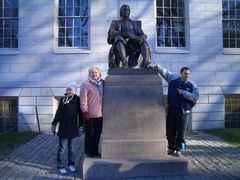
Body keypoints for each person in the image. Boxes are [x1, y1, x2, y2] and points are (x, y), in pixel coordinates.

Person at [148, 63, 199, 157]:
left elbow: (195, 96)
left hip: (183, 111)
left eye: (188, 74)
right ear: (181, 73)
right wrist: (155, 66)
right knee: (170, 130)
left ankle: (179, 149)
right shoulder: (173, 79)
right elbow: (165, 72)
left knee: (181, 131)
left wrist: (184, 93)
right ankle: (171, 148)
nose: (187, 76)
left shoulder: (192, 85)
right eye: (185, 73)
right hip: (172, 109)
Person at [51, 81, 83, 174]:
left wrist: (81, 126)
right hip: (63, 127)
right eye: (67, 90)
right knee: (62, 148)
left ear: (74, 91)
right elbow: (58, 113)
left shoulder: (77, 101)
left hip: (73, 127)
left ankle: (71, 164)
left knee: (71, 148)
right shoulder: (63, 100)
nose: (69, 91)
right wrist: (54, 123)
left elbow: (80, 115)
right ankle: (60, 165)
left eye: (70, 90)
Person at [107, 4, 151, 68]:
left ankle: (146, 62)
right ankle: (125, 63)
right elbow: (112, 32)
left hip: (135, 42)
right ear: (121, 12)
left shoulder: (135, 23)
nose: (126, 11)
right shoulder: (116, 23)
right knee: (118, 39)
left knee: (143, 41)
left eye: (127, 10)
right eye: (124, 10)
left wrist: (143, 36)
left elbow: (142, 34)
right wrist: (124, 35)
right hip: (123, 42)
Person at [80, 66, 104, 158]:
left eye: (96, 72)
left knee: (97, 133)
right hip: (90, 114)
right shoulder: (85, 84)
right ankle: (89, 151)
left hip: (100, 113)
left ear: (99, 73)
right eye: (92, 73)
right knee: (89, 134)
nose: (94, 74)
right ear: (89, 74)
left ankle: (95, 150)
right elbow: (83, 99)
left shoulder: (102, 83)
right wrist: (85, 111)